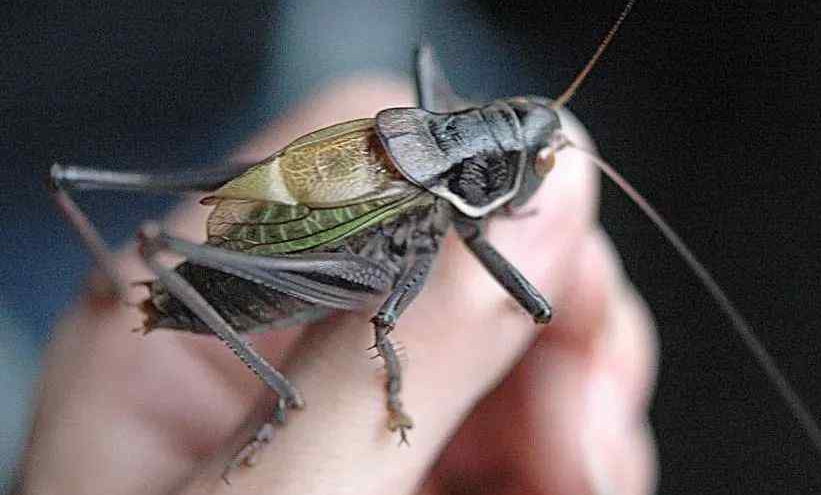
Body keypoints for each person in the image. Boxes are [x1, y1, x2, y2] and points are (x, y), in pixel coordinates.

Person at [18, 79, 658, 495]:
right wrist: (394, 388)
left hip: (331, 218)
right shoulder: (437, 193)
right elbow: (388, 320)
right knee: (378, 299)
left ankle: (124, 279)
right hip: (269, 277)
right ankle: (284, 399)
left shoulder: (423, 132)